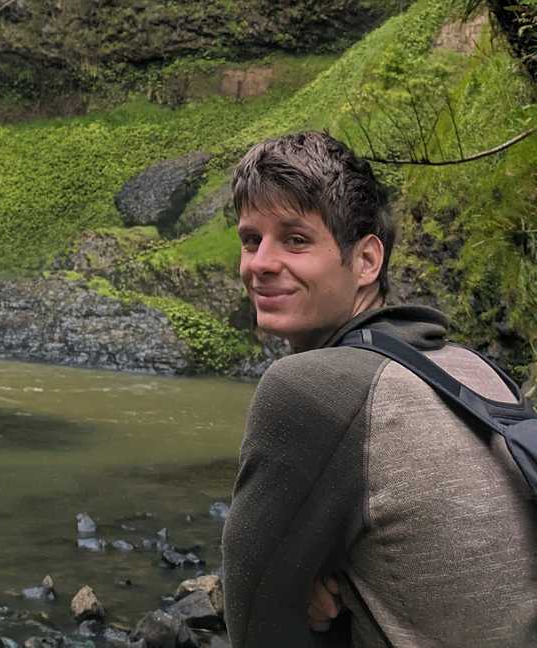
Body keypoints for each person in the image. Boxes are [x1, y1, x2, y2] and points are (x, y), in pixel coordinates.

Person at [221, 129, 536, 647]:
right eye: (251, 239)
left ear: (366, 261)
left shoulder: (310, 388)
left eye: (295, 239)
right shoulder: (476, 371)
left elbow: (256, 625)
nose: (259, 263)